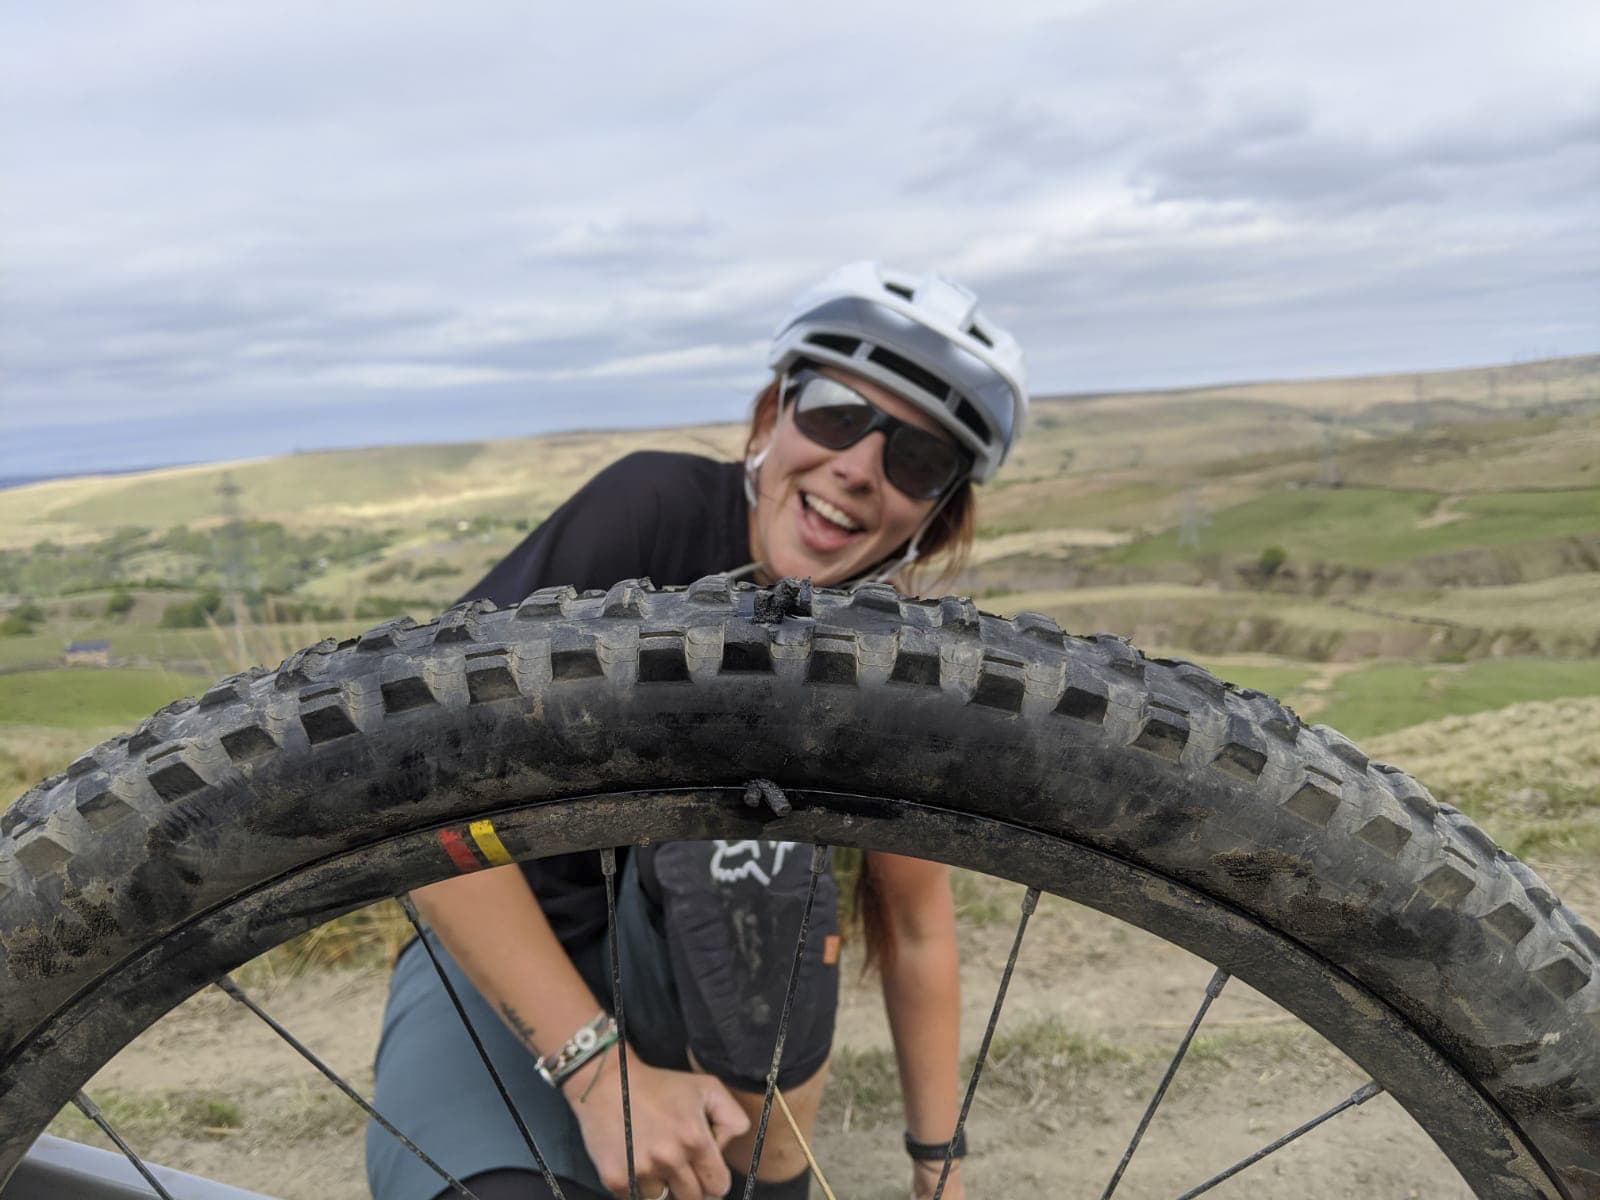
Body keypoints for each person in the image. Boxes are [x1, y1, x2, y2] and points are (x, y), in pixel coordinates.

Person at [366, 261, 1029, 1200]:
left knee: (752, 845)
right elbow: (416, 778)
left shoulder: (885, 651)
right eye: (836, 412)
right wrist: (597, 1075)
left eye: (917, 460)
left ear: (934, 513)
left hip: (710, 982)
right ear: (773, 416)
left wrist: (938, 1167)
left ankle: (766, 1180)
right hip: (511, 950)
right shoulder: (650, 515)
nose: (858, 466)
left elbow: (917, 924)